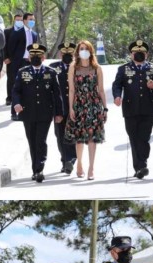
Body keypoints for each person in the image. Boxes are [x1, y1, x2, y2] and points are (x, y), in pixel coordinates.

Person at [112, 40, 153, 180]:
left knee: (144, 139)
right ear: (131, 54)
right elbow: (117, 85)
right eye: (136, 52)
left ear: (146, 54)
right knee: (134, 139)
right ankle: (140, 167)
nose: (139, 54)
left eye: (142, 53)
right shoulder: (123, 69)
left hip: (148, 109)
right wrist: (117, 96)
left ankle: (142, 164)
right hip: (130, 109)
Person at [12, 43, 64, 183]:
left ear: (43, 57)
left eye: (38, 56)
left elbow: (57, 94)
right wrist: (16, 103)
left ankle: (39, 170)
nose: (35, 58)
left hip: (45, 113)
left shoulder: (51, 72)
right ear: (29, 57)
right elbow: (16, 90)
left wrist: (59, 113)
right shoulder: (22, 72)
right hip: (27, 113)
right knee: (32, 141)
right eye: (33, 55)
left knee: (41, 141)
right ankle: (35, 170)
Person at [64, 40, 107, 181]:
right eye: (81, 48)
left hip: (94, 105)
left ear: (91, 51)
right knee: (79, 139)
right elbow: (71, 89)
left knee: (92, 138)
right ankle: (80, 164)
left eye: (86, 48)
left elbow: (101, 90)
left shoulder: (97, 68)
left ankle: (91, 168)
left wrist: (105, 108)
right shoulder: (73, 67)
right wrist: (71, 108)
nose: (84, 51)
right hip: (79, 104)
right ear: (77, 51)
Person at [49, 42, 77, 175]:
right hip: (59, 109)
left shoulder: (80, 67)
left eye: (70, 54)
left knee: (73, 135)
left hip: (75, 108)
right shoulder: (53, 68)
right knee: (60, 136)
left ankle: (70, 160)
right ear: (60, 54)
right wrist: (54, 111)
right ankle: (65, 161)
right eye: (64, 54)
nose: (67, 56)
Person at [7, 13, 37, 121]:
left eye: (33, 19)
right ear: (24, 20)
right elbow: (10, 47)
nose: (32, 21)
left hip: (30, 63)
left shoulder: (34, 34)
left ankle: (25, 111)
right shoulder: (17, 33)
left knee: (29, 87)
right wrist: (14, 59)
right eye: (30, 19)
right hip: (18, 64)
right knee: (17, 87)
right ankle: (14, 113)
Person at [3, 13, 22, 107]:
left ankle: (21, 98)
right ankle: (9, 97)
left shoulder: (25, 32)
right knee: (10, 79)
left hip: (22, 60)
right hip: (10, 61)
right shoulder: (7, 31)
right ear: (14, 21)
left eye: (21, 20)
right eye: (17, 20)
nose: (19, 22)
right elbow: (4, 46)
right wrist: (6, 58)